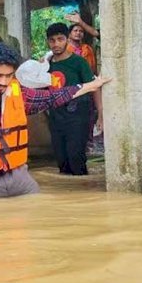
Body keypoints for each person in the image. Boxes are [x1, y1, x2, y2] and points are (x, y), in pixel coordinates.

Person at [0, 42, 110, 198]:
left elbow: (52, 97)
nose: (3, 82)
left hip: (20, 179)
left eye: (8, 75)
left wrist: (91, 85)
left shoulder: (20, 94)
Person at [45, 23, 101, 175]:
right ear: (48, 42)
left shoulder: (79, 62)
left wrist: (101, 115)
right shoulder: (46, 65)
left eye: (60, 39)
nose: (56, 44)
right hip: (56, 117)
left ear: (67, 40)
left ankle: (83, 193)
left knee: (76, 158)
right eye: (52, 40)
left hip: (78, 116)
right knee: (61, 161)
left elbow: (94, 87)